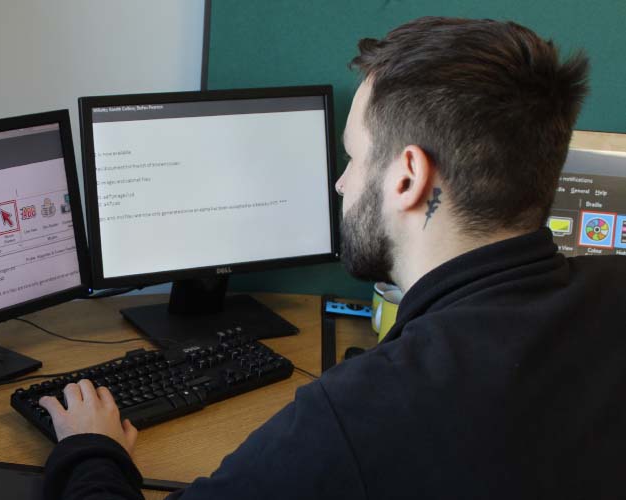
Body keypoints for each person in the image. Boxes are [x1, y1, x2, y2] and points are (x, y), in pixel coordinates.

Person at [38, 17, 626, 499]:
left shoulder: (363, 415)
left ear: (408, 178)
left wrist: (91, 451)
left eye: (354, 158)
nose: (342, 184)